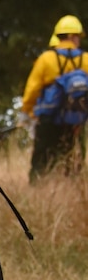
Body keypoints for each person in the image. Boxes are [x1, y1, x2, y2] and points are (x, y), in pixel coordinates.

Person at [22, 17, 87, 181]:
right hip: (76, 119)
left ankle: (37, 185)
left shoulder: (46, 58)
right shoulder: (86, 59)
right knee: (73, 157)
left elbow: (32, 88)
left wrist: (29, 110)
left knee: (42, 155)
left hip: (49, 118)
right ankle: (71, 187)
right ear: (73, 36)